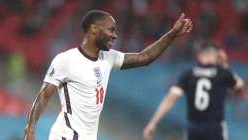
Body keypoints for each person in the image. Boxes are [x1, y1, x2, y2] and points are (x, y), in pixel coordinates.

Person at [24, 10, 192, 140]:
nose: (115, 35)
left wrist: (172, 34)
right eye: (111, 30)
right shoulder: (66, 60)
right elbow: (43, 96)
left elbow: (144, 57)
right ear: (94, 29)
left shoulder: (108, 58)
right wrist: (30, 129)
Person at [143, 46, 245, 140]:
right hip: (215, 128)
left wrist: (153, 122)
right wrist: (225, 65)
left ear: (199, 56)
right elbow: (241, 90)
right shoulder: (223, 72)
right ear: (216, 57)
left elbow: (170, 98)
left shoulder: (188, 73)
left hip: (194, 128)